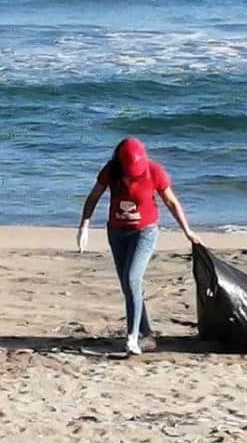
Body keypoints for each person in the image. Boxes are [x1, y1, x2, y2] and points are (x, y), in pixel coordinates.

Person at [76, 137, 198, 356]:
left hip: (145, 232)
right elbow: (94, 197)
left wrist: (187, 230)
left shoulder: (154, 171)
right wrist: (84, 226)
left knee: (133, 278)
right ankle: (146, 333)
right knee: (127, 284)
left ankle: (132, 337)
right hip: (116, 232)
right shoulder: (111, 171)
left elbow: (171, 202)